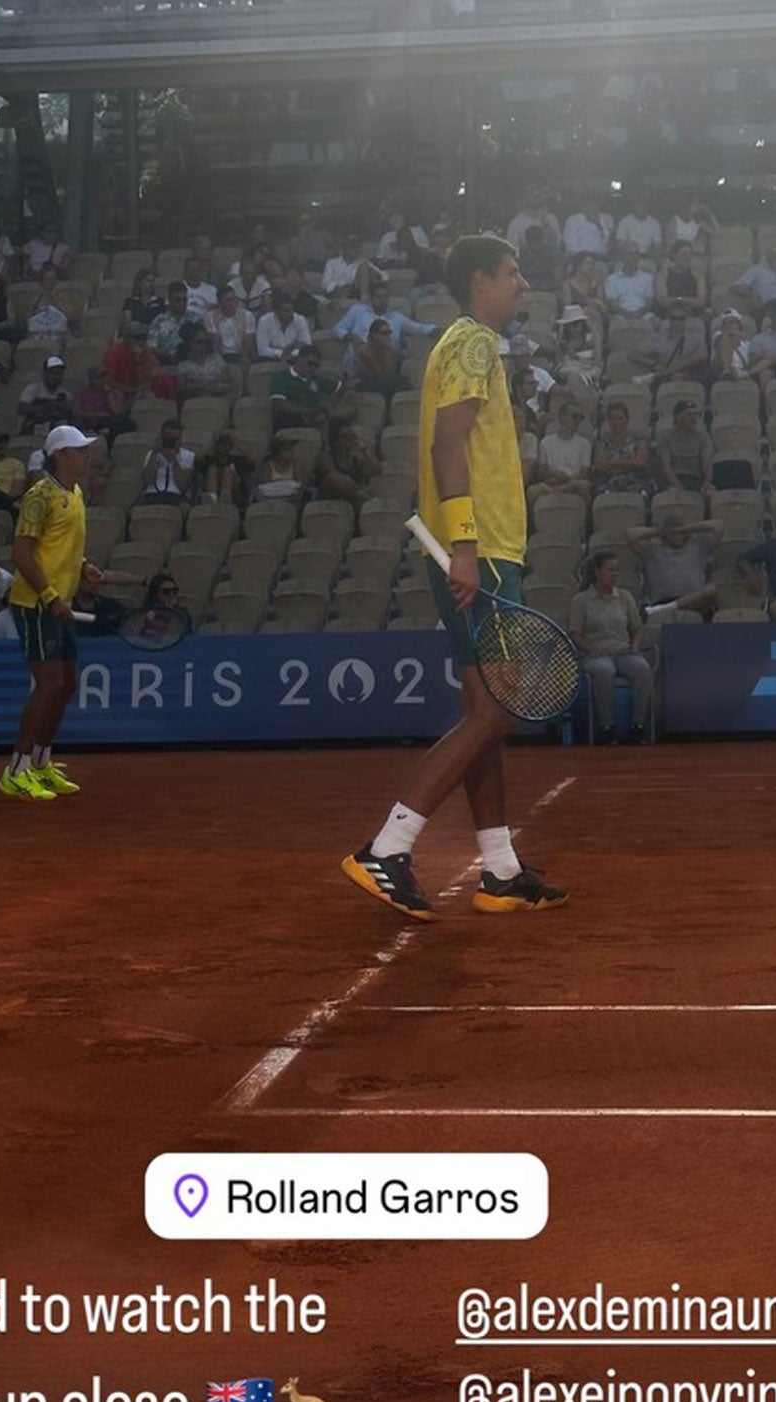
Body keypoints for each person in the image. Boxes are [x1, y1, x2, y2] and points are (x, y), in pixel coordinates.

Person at [342, 234, 568, 921]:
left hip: (478, 546)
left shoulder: (458, 343)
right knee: (499, 710)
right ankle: (388, 846)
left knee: (484, 715)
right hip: (482, 548)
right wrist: (467, 543)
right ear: (479, 280)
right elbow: (448, 444)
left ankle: (499, 869)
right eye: (512, 272)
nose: (521, 283)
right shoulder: (473, 342)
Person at [0, 425, 100, 802]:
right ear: (61, 455)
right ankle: (16, 771)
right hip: (36, 603)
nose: (87, 455)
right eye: (80, 450)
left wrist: (84, 567)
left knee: (67, 684)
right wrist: (50, 596)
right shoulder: (38, 496)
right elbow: (21, 554)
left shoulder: (75, 493)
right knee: (50, 684)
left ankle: (41, 763)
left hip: (61, 602)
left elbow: (59, 546)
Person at [569, 551, 653, 744]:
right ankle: (607, 726)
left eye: (617, 570)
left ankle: (638, 725)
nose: (615, 574)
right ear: (597, 572)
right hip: (596, 654)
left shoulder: (625, 597)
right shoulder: (581, 600)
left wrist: (634, 646)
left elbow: (636, 627)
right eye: (610, 570)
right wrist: (590, 649)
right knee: (604, 671)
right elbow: (575, 633)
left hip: (623, 651)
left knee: (642, 669)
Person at [628, 512, 725, 616]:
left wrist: (688, 527)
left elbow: (719, 526)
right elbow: (631, 535)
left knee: (711, 590)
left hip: (695, 602)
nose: (678, 536)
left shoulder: (699, 545)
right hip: (661, 601)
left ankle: (665, 609)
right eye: (673, 534)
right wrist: (662, 530)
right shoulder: (651, 549)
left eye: (681, 533)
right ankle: (664, 609)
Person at [655, 399, 714, 497]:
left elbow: (707, 464)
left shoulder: (703, 437)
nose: (693, 418)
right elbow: (666, 467)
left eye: (695, 414)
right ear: (677, 418)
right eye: (689, 414)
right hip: (673, 481)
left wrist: (706, 483)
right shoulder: (665, 437)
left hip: (696, 480)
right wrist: (681, 488)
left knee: (710, 494)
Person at [592, 401, 650, 494]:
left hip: (635, 479)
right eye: (612, 418)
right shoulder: (602, 439)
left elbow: (641, 462)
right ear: (608, 420)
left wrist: (614, 462)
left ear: (627, 420)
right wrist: (628, 464)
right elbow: (600, 465)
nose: (615, 422)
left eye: (620, 418)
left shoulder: (639, 437)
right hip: (607, 480)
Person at [140, 420, 195, 505]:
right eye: (168, 439)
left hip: (176, 495)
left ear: (180, 439)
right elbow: (147, 481)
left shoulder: (188, 456)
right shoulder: (152, 454)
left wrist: (173, 460)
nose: (170, 443)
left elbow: (183, 487)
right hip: (153, 494)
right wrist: (154, 455)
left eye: (175, 439)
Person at [18, 355, 73, 434]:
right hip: (33, 429)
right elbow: (21, 408)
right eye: (53, 373)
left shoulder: (65, 394)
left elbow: (70, 415)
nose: (56, 377)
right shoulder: (33, 388)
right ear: (45, 373)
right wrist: (48, 405)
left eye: (59, 373)